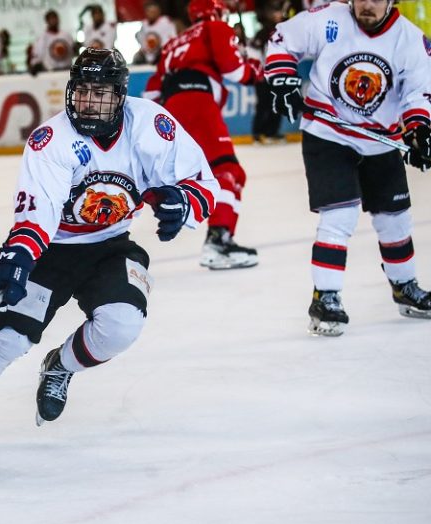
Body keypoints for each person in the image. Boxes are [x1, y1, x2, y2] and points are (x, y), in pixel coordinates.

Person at [0, 48, 218, 458]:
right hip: (51, 249)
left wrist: (183, 202)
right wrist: (17, 258)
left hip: (111, 245)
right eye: (82, 90)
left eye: (100, 93)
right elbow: (39, 212)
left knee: (122, 325)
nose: (88, 101)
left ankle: (60, 366)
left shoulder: (150, 126)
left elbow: (201, 182)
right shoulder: (51, 140)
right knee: (6, 338)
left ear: (120, 95)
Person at [265, 0, 431, 335]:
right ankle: (325, 297)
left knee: (395, 218)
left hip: (381, 140)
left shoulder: (411, 40)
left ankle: (404, 286)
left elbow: (419, 93)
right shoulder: (329, 18)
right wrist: (282, 79)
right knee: (339, 214)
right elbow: (282, 37)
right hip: (327, 133)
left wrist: (419, 131)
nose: (367, 4)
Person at [143, 0, 262, 270]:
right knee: (228, 171)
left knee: (193, 174)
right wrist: (255, 69)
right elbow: (235, 70)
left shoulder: (173, 43)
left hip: (170, 110)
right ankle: (219, 242)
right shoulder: (215, 27)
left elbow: (152, 92)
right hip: (198, 102)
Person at [251, 1, 286, 144]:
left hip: (278, 75)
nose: (279, 14)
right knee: (263, 105)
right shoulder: (263, 33)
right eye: (275, 12)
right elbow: (253, 53)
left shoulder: (284, 31)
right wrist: (258, 71)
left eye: (279, 12)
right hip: (264, 76)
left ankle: (272, 132)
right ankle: (258, 133)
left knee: (278, 104)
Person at [28, 9, 75, 75]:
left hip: (67, 70)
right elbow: (37, 55)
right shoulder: (42, 38)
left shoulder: (66, 35)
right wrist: (35, 65)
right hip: (51, 72)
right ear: (47, 21)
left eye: (55, 18)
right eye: (51, 19)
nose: (53, 20)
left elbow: (73, 52)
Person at [133, 0, 177, 65]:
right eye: (149, 11)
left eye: (153, 12)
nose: (151, 14)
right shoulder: (144, 24)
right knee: (137, 58)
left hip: (162, 55)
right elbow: (141, 40)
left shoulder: (165, 22)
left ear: (159, 11)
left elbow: (171, 41)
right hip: (147, 57)